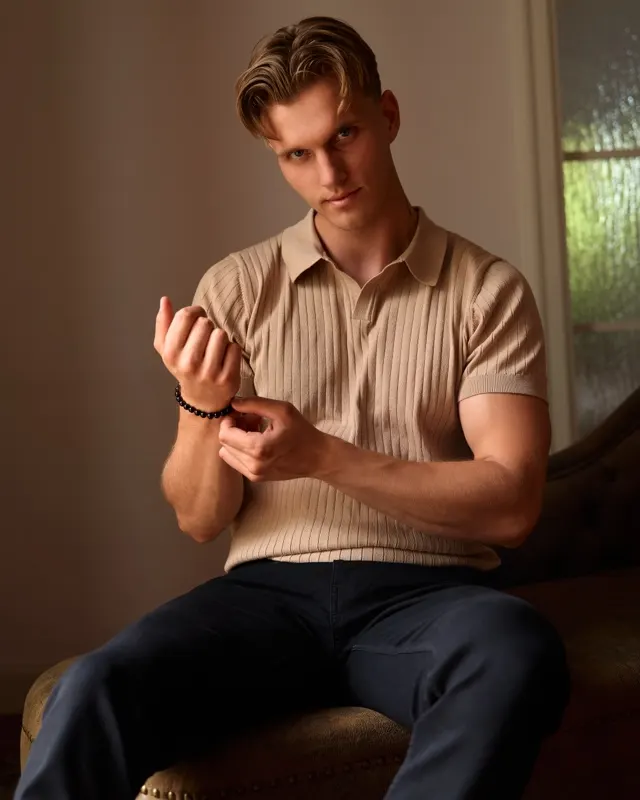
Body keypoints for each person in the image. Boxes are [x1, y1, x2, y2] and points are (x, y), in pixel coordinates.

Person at [15, 15, 570, 800]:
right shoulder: (236, 288)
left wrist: (321, 457)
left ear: (389, 115)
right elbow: (201, 519)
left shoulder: (489, 292)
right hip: (266, 599)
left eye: (344, 134)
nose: (328, 172)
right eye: (296, 154)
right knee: (95, 687)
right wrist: (204, 410)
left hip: (427, 599)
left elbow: (512, 505)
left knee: (517, 649)